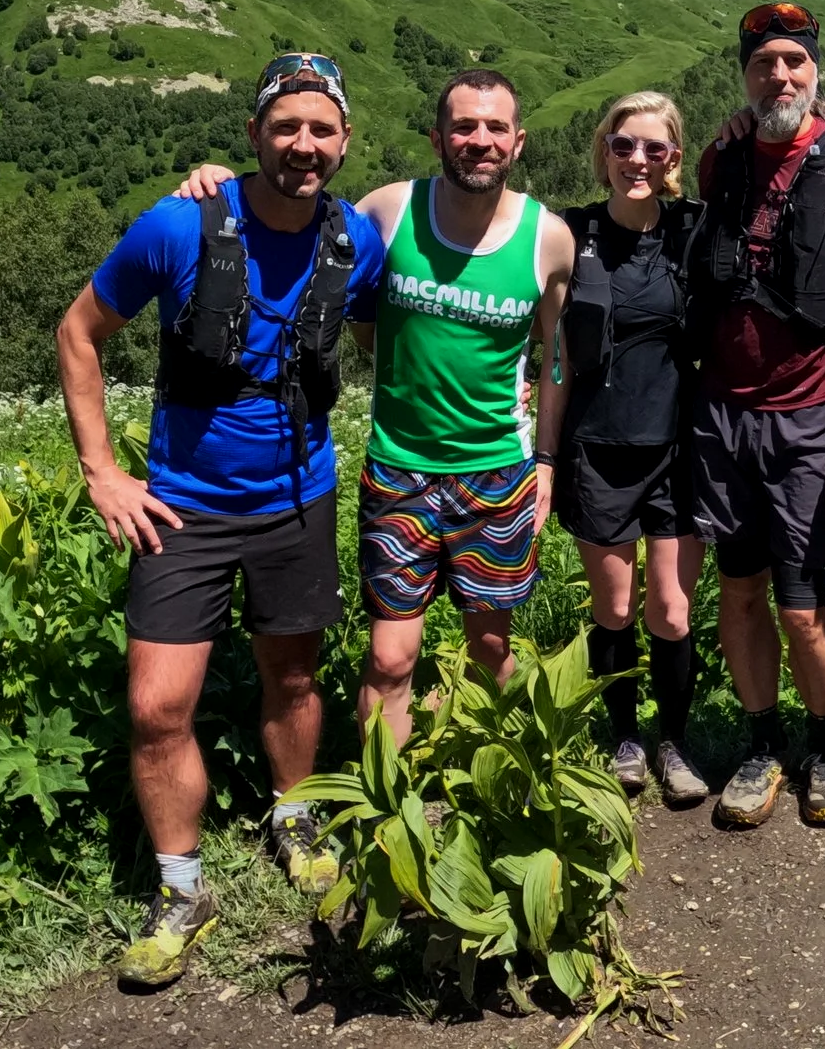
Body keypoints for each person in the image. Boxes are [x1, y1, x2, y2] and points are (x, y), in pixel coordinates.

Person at [55, 53, 387, 991]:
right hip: (182, 506)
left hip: (300, 498)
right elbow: (78, 333)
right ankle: (181, 886)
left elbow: (382, 330)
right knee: (159, 706)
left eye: (322, 129)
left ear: (345, 141)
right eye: (286, 126)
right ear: (254, 136)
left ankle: (293, 816)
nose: (304, 145)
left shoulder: (353, 239)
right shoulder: (180, 224)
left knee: (294, 677)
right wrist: (102, 471)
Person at [173, 68, 574, 739]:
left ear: (519, 140)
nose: (480, 140)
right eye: (464, 127)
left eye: (495, 127)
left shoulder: (548, 239)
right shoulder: (388, 210)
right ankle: (388, 808)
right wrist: (216, 182)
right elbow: (299, 223)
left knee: (492, 651)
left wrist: (548, 461)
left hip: (498, 473)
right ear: (437, 137)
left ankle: (497, 790)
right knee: (390, 659)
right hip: (398, 470)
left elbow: (558, 360)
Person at [690, 2, 825, 830]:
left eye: (795, 63)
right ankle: (761, 741)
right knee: (737, 592)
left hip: (809, 417)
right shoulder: (723, 157)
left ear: (818, 71)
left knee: (803, 605)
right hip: (721, 416)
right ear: (744, 75)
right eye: (764, 64)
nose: (781, 76)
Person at [547, 91, 710, 810]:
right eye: (623, 146)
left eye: (655, 148)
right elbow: (554, 359)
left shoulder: (694, 233)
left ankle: (674, 739)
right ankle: (625, 739)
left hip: (678, 446)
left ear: (675, 158)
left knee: (671, 613)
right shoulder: (567, 235)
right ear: (603, 153)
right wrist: (545, 460)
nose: (637, 160)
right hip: (597, 446)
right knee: (614, 608)